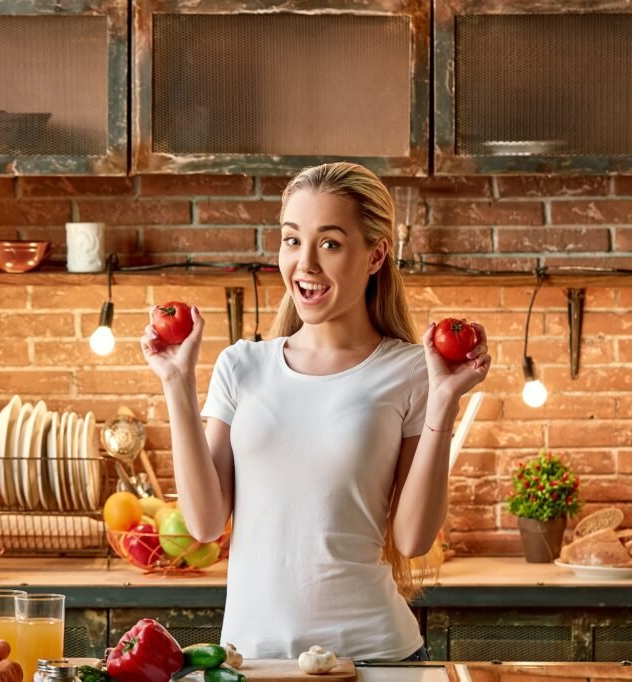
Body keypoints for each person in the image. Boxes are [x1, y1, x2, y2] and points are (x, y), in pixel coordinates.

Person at [139, 162, 491, 662]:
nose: (304, 263)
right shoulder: (242, 365)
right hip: (253, 659)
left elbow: (412, 539)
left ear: (375, 255)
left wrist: (444, 402)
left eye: (329, 243)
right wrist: (175, 381)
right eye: (291, 240)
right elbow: (204, 524)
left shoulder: (413, 369)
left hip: (374, 657)